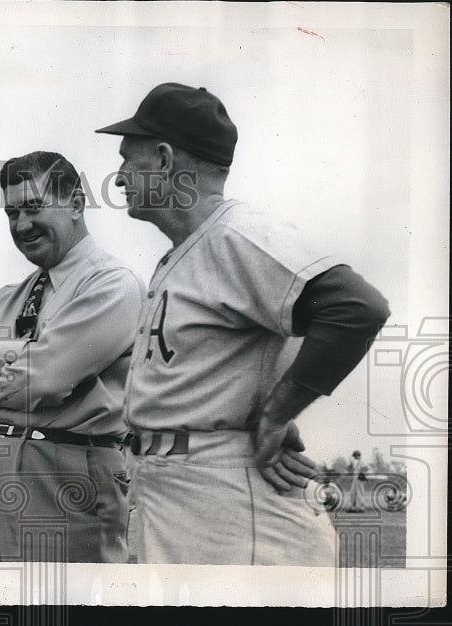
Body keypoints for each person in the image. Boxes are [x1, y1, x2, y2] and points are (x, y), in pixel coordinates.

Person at [96, 82, 390, 565]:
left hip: (229, 493)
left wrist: (277, 413)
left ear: (165, 159)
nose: (121, 175)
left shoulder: (239, 234)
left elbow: (356, 307)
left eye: (129, 158)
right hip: (176, 488)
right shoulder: (184, 252)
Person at [0, 151, 145, 562]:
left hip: (61, 466)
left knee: (58, 607)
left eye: (33, 207)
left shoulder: (111, 284)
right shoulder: (8, 299)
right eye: (12, 213)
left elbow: (45, 379)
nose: (22, 225)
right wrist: (27, 351)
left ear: (77, 204)